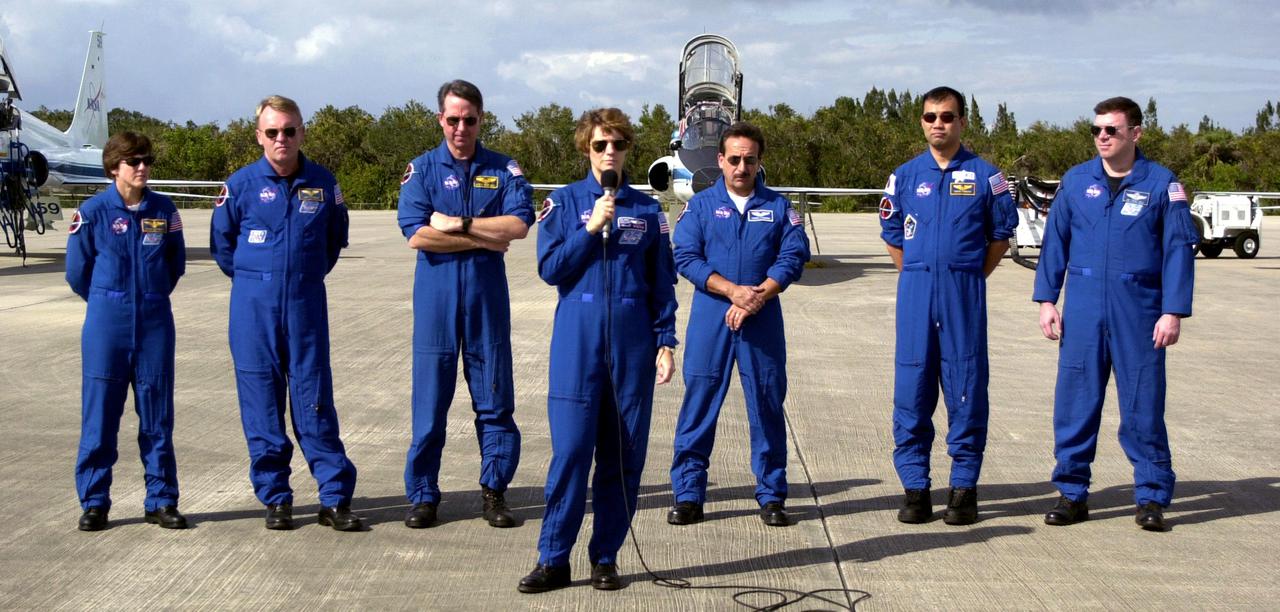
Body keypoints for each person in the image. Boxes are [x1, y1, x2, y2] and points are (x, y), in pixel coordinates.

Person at [517, 109, 678, 593]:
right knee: (570, 453)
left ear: (629, 150)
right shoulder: (562, 204)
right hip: (577, 342)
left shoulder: (649, 211)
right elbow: (551, 269)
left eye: (619, 144)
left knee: (623, 457)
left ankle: (605, 556)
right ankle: (553, 557)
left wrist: (666, 340)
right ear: (586, 148)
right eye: (601, 145)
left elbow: (662, 284)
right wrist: (590, 230)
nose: (611, 153)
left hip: (632, 343)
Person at [1033, 96, 1196, 532]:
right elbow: (1055, 243)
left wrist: (1173, 311)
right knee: (1075, 403)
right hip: (1084, 308)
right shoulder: (1075, 181)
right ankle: (1071, 493)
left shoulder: (1162, 185)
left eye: (1112, 130)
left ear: (1136, 133)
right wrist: (1048, 299)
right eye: (1097, 130)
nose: (1102, 137)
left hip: (1139, 311)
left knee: (1143, 405)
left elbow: (1179, 251)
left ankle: (1151, 496)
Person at [210, 95, 362, 532]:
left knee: (314, 399)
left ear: (302, 133)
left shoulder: (323, 182)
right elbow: (223, 248)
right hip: (252, 309)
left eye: (289, 131)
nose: (282, 139)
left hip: (305, 304)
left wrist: (300, 277)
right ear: (259, 136)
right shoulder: (239, 186)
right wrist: (260, 280)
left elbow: (334, 242)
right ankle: (276, 497)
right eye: (272, 132)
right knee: (261, 402)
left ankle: (333, 497)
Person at [397, 79, 533, 529]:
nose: (460, 128)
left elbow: (516, 227)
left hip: (486, 301)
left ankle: (494, 492)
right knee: (430, 404)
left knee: (494, 399)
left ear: (481, 120)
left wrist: (458, 224)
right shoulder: (422, 170)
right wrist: (482, 239)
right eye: (452, 119)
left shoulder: (504, 169)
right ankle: (423, 496)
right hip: (436, 302)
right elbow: (417, 233)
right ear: (441, 119)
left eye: (469, 120)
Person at [878, 86, 1017, 525]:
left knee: (966, 389)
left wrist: (967, 276)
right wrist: (920, 273)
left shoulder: (986, 176)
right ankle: (916, 488)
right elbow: (893, 236)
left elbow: (1000, 237)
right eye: (930, 116)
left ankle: (963, 489)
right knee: (912, 391)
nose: (938, 123)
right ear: (921, 122)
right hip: (916, 295)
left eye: (947, 116)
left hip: (963, 296)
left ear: (962, 122)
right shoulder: (903, 176)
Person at [666, 122, 809, 528]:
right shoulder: (700, 207)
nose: (741, 167)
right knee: (699, 404)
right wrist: (733, 291)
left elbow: (794, 255)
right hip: (713, 317)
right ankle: (689, 493)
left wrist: (759, 294)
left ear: (759, 161)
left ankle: (771, 494)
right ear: (720, 161)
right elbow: (686, 257)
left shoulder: (779, 208)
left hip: (762, 320)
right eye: (734, 159)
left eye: (749, 160)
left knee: (766, 404)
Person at [65, 132, 187, 531]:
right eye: (133, 161)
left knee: (157, 417)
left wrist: (148, 296)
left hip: (154, 322)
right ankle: (95, 501)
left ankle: (161, 499)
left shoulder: (165, 210)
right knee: (99, 417)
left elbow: (175, 265)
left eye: (146, 160)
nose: (142, 168)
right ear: (114, 167)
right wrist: (109, 301)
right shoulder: (93, 211)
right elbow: (77, 272)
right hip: (107, 325)